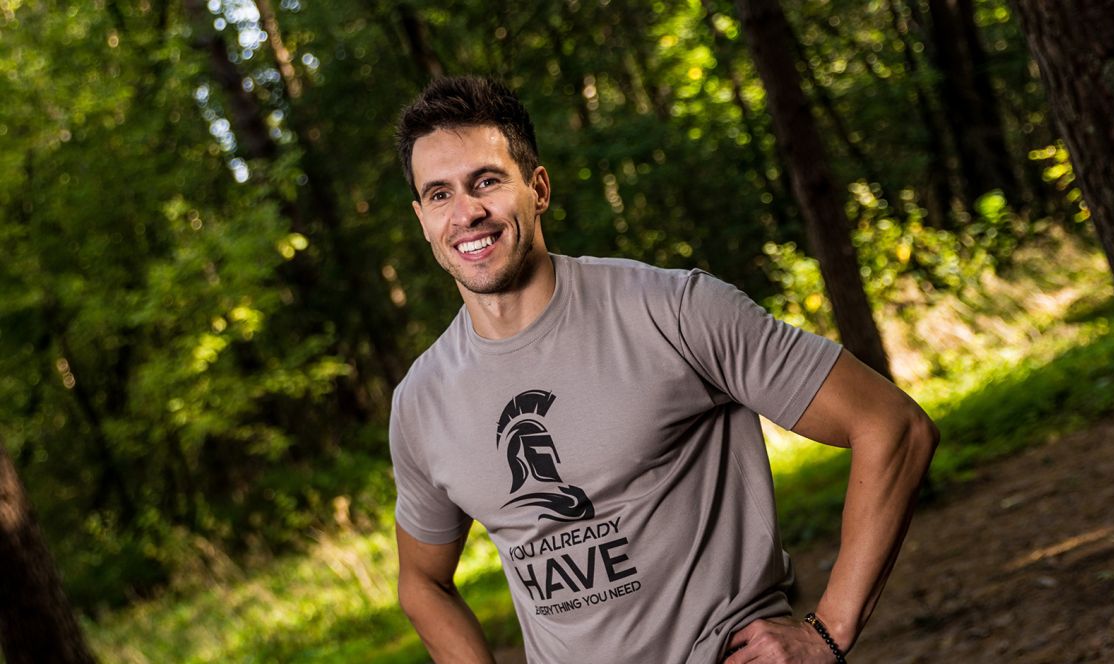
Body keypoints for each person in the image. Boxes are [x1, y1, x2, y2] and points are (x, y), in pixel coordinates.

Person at [390, 75, 939, 664]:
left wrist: (827, 632)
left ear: (538, 188)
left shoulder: (672, 311)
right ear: (422, 218)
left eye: (487, 182)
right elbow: (422, 583)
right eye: (440, 194)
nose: (466, 212)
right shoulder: (422, 401)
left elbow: (893, 426)